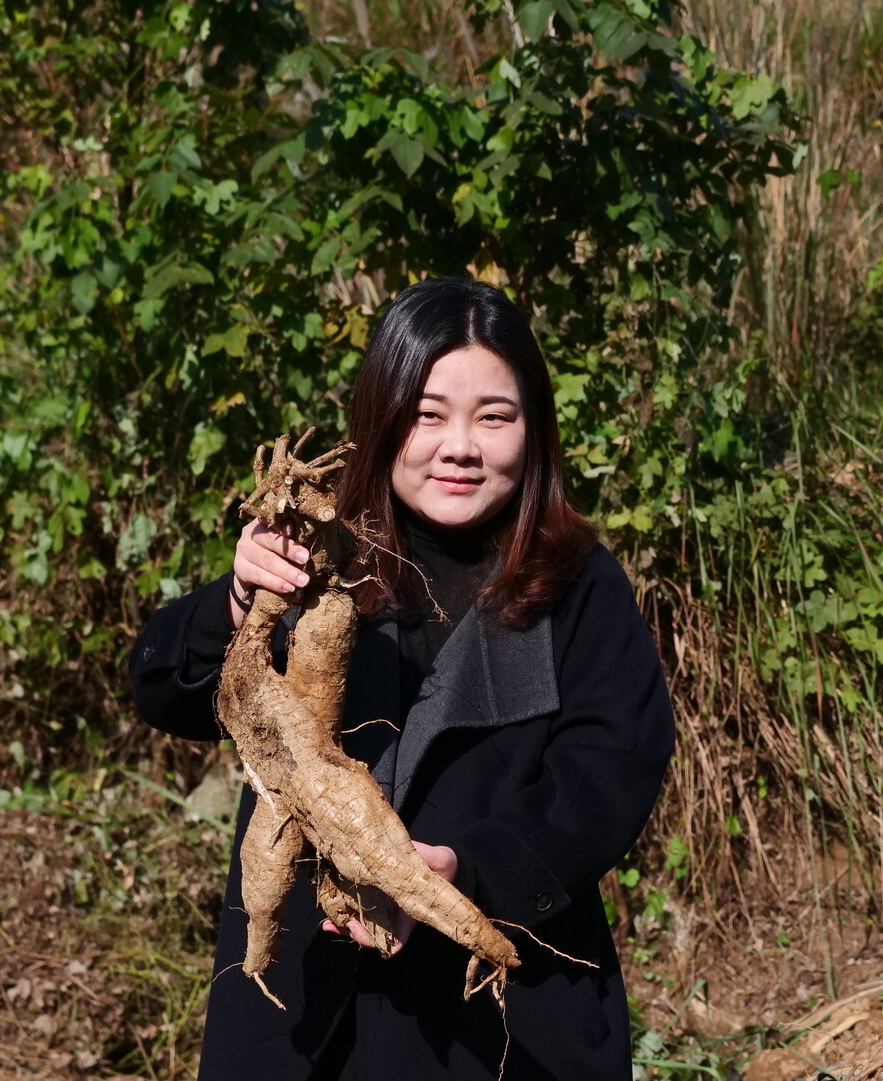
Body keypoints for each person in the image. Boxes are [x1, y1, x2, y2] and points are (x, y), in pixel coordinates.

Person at [128, 276, 676, 1080]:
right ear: (381, 421)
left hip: (498, 1024)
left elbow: (607, 775)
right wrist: (239, 601)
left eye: (494, 416)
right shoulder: (313, 561)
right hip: (303, 1020)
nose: (460, 445)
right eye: (427, 415)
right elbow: (166, 689)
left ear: (534, 430)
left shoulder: (576, 584)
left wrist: (469, 871)